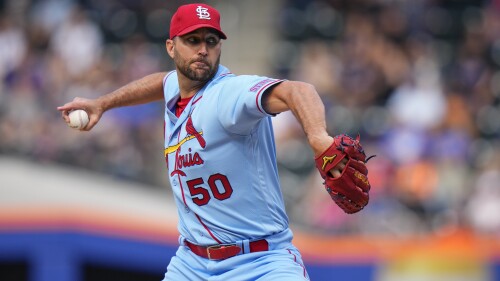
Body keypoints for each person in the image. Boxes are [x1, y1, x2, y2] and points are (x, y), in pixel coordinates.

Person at [58, 3, 370, 280]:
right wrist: (103, 103)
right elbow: (161, 82)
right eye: (192, 41)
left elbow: (298, 91)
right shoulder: (176, 88)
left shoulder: (228, 95)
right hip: (192, 263)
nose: (203, 50)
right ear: (171, 47)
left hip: (261, 262)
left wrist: (317, 138)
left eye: (211, 41)